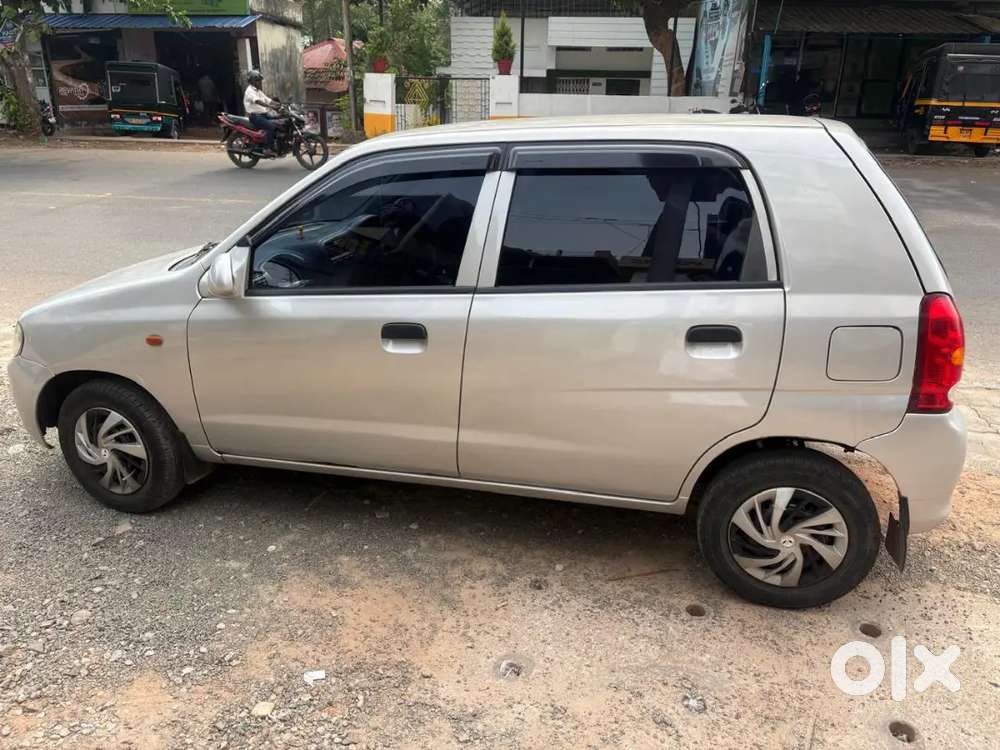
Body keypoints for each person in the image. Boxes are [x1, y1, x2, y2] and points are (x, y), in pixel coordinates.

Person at [243, 70, 279, 153]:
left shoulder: (258, 91)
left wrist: (280, 104)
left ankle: (276, 144)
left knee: (279, 122)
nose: (259, 82)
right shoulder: (249, 91)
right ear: (252, 81)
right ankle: (267, 148)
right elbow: (258, 101)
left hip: (264, 115)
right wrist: (271, 106)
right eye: (257, 80)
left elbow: (268, 100)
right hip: (255, 117)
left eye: (259, 80)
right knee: (271, 127)